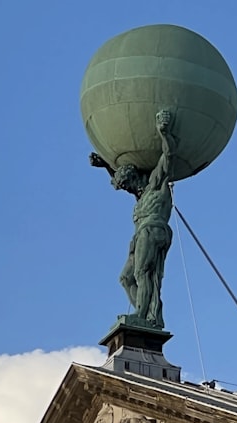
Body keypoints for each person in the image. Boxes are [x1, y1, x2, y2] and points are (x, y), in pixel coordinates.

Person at [90, 110, 176, 329]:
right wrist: (106, 166)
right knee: (126, 278)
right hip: (141, 234)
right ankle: (147, 312)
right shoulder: (141, 193)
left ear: (134, 179)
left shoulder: (156, 184)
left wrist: (164, 132)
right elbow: (125, 181)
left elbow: (167, 157)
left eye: (127, 184)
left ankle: (143, 314)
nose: (128, 189)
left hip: (153, 231)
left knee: (142, 273)